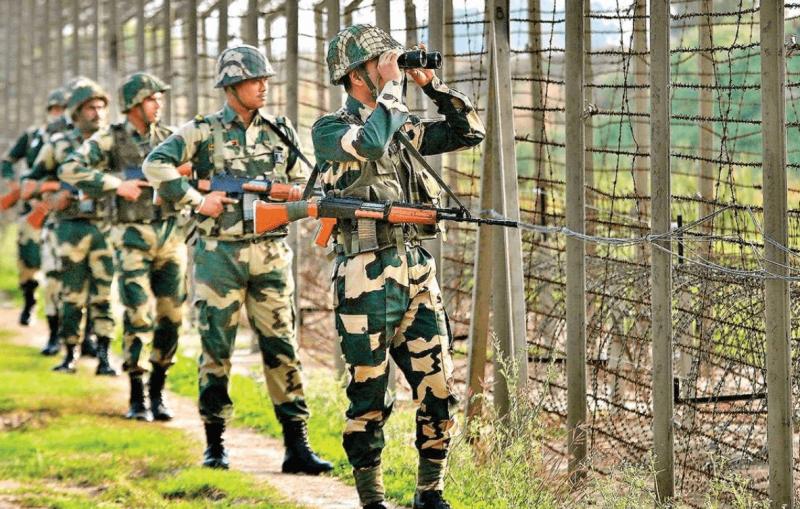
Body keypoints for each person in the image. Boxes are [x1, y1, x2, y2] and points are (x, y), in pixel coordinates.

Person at [312, 25, 485, 509]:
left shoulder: (401, 127)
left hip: (415, 272)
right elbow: (369, 144)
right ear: (355, 75)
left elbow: (468, 132)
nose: (393, 70)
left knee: (439, 388)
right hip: (364, 278)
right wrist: (392, 90)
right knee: (370, 396)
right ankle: (372, 498)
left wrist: (431, 86)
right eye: (380, 63)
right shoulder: (330, 130)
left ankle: (430, 492)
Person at [143, 44, 333, 474]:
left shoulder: (281, 130)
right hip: (219, 256)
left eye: (265, 79)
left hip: (271, 254)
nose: (263, 86)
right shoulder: (203, 131)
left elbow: (302, 183)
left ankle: (297, 447)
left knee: (282, 346)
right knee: (216, 349)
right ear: (231, 86)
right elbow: (156, 164)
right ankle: (215, 444)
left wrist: (293, 199)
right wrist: (197, 200)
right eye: (254, 80)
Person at [61, 72, 184, 421]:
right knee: (137, 313)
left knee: (172, 317)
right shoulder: (110, 140)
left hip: (171, 235)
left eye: (159, 98)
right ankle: (137, 394)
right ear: (133, 105)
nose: (158, 104)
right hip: (130, 238)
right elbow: (70, 169)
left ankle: (158, 390)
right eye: (151, 99)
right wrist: (116, 185)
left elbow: (204, 169)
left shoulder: (172, 138)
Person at [29, 77, 116, 376]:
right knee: (71, 296)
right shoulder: (59, 144)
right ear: (77, 112)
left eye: (101, 107)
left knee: (104, 295)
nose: (98, 113)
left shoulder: (113, 142)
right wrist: (55, 195)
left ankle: (104, 355)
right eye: (91, 108)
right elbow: (32, 182)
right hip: (69, 228)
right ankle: (70, 353)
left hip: (105, 226)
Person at [0, 87, 68, 330]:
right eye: (55, 109)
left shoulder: (71, 139)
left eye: (63, 109)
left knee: (60, 265)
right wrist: (13, 185)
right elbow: (7, 161)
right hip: (31, 207)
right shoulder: (32, 136)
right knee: (28, 260)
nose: (59, 113)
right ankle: (29, 301)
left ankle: (62, 320)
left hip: (60, 207)